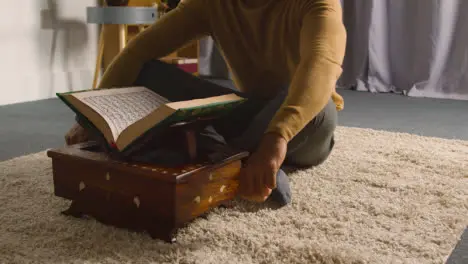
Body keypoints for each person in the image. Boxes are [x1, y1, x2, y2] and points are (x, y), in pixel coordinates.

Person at [65, 0, 347, 206]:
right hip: (248, 114)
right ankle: (232, 160)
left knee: (320, 109)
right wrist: (88, 119)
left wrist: (276, 139)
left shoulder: (318, 3)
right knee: (147, 72)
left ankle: (210, 153)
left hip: (304, 128)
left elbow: (321, 64)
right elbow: (140, 50)